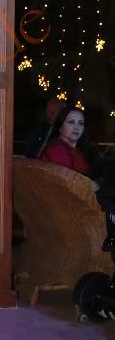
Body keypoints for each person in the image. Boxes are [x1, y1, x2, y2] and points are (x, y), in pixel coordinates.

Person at [41, 105, 115, 252]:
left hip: (78, 198)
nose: (77, 127)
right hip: (68, 206)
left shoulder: (75, 150)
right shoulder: (57, 149)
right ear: (60, 126)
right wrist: (94, 184)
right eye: (71, 122)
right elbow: (69, 182)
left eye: (81, 123)